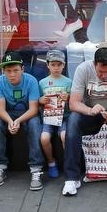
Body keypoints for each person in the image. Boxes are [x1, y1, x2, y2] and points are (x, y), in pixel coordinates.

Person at [62, 46, 107, 198]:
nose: (104, 75)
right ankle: (71, 178)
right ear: (94, 64)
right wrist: (89, 110)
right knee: (73, 120)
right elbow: (73, 103)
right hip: (91, 112)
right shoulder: (83, 69)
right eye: (100, 72)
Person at [0, 51, 44, 191]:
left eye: (15, 70)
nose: (12, 74)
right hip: (8, 114)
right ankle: (0, 167)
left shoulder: (31, 80)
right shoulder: (0, 82)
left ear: (22, 69)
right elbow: (0, 109)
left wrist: (18, 121)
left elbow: (33, 109)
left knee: (35, 123)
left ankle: (36, 169)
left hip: (26, 114)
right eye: (8, 71)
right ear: (3, 71)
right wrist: (10, 121)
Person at [39, 49, 72, 180]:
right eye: (53, 65)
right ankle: (51, 162)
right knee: (44, 138)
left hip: (64, 117)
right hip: (48, 118)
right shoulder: (42, 82)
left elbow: (74, 102)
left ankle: (68, 163)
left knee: (65, 136)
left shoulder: (68, 82)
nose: (56, 68)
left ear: (64, 65)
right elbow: (37, 100)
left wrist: (68, 97)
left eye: (59, 65)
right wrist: (41, 100)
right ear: (48, 65)